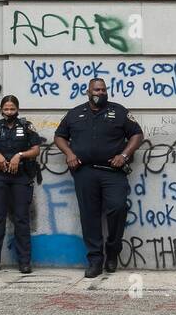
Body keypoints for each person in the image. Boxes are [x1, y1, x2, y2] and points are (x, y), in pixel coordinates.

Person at [53, 78, 143, 277]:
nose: (101, 92)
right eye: (97, 89)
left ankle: (112, 251)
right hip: (85, 172)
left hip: (113, 172)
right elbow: (59, 136)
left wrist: (124, 155)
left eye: (103, 89)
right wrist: (69, 154)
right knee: (89, 216)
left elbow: (137, 134)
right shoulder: (75, 113)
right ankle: (95, 260)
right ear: (88, 91)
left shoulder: (119, 111)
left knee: (118, 208)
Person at [0, 95, 43, 275]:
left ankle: (24, 262)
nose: (9, 112)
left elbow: (36, 149)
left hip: (21, 178)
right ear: (1, 110)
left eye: (12, 109)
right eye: (6, 109)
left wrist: (20, 155)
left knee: (21, 219)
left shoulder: (26, 126)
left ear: (17, 109)